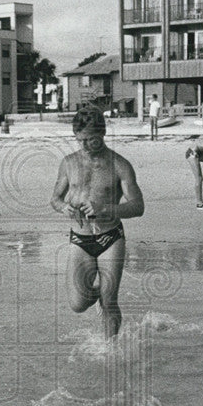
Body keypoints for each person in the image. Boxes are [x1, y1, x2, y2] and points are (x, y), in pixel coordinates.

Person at [51, 107, 144, 338]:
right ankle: (100, 292)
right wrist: (64, 207)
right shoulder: (68, 163)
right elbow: (54, 199)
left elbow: (138, 206)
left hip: (110, 238)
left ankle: (110, 351)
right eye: (79, 139)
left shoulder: (120, 165)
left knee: (109, 301)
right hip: (79, 239)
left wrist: (106, 208)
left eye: (90, 139)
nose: (83, 145)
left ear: (101, 134)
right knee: (78, 303)